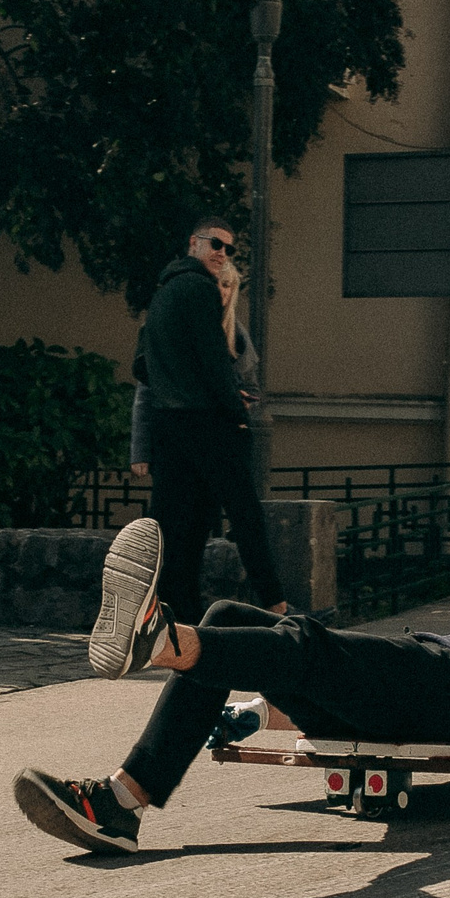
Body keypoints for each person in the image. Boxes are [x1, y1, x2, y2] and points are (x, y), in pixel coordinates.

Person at [14, 526, 450, 854]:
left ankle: (160, 641)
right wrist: (259, 715)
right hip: (412, 690)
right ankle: (122, 802)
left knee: (308, 645)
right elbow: (361, 696)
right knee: (232, 619)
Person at [134, 216, 287, 621]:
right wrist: (236, 414)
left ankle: (174, 617)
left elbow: (143, 365)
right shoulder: (198, 288)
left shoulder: (163, 294)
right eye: (215, 244)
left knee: (178, 526)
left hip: (172, 427)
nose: (222, 253)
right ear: (193, 243)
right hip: (206, 423)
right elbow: (212, 358)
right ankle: (278, 606)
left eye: (228, 248)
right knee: (245, 513)